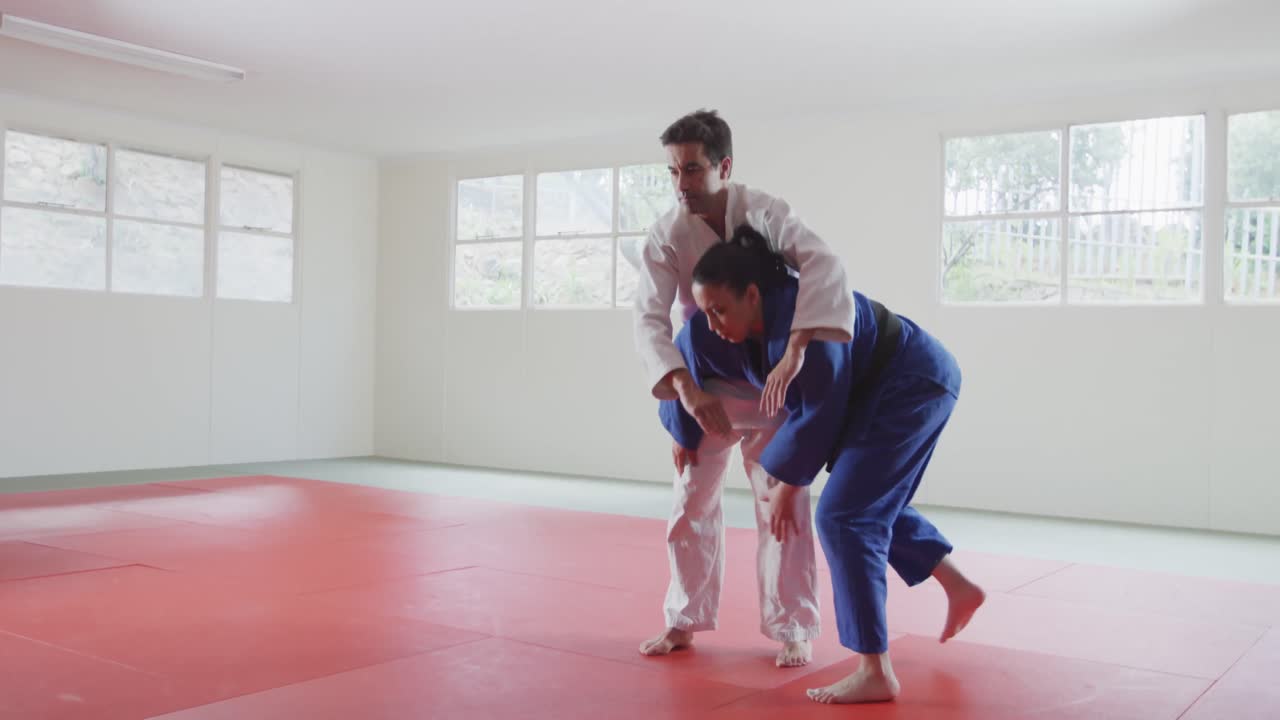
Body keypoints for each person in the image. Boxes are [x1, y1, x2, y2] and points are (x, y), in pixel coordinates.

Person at [659, 225, 987, 704]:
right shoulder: (711, 327)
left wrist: (791, 482)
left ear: (754, 294)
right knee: (866, 505)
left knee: (844, 516)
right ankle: (958, 585)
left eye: (721, 310)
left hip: (911, 383)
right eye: (705, 311)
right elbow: (683, 366)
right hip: (873, 393)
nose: (713, 323)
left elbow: (822, 403)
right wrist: (682, 432)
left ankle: (875, 669)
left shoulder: (803, 314)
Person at [634, 109, 857, 668]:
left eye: (692, 169)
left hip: (769, 379)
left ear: (724, 166)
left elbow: (823, 263)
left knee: (781, 503)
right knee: (690, 502)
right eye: (672, 172)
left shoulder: (763, 212)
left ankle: (794, 627)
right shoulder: (665, 235)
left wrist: (796, 352)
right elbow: (650, 322)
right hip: (704, 380)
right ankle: (682, 620)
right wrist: (684, 404)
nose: (681, 184)